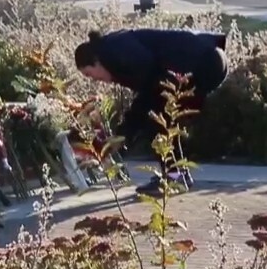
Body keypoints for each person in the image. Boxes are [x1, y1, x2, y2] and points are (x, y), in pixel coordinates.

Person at [73, 28, 228, 196]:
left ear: (96, 61)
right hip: (209, 59)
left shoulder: (114, 53)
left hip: (203, 63)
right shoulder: (113, 51)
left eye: (89, 74)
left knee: (158, 121)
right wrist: (124, 134)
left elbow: (150, 88)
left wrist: (124, 135)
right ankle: (176, 175)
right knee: (164, 120)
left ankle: (175, 177)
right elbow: (149, 89)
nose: (94, 80)